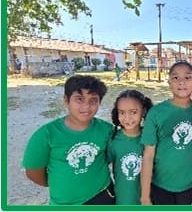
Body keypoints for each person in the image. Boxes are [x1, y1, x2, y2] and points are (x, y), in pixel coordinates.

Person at [22, 75, 115, 205]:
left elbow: (108, 158)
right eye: (79, 99)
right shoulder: (46, 134)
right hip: (65, 203)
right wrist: (60, 183)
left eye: (93, 100)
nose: (86, 106)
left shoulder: (106, 130)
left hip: (103, 195)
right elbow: (34, 172)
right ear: (66, 100)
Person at [140, 60, 192, 205]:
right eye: (175, 78)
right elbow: (148, 156)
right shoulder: (156, 113)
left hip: (189, 184)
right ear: (169, 82)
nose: (181, 82)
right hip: (160, 184)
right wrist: (145, 195)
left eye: (187, 77)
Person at [107, 90, 153, 205]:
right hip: (123, 199)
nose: (127, 118)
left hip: (148, 198)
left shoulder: (150, 138)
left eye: (133, 112)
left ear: (143, 111)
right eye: (122, 112)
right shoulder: (113, 140)